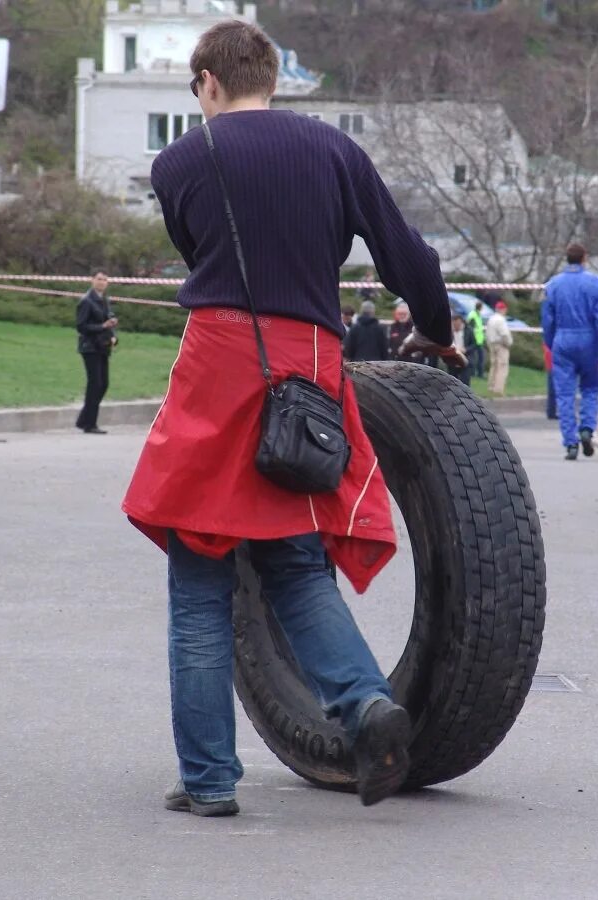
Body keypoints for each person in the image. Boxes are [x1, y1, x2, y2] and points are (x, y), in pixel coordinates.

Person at [121, 19, 457, 817]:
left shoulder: (178, 162)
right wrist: (435, 332)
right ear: (272, 78)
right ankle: (367, 707)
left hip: (218, 366)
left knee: (200, 573)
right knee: (296, 564)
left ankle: (207, 782)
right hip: (307, 367)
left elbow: (196, 246)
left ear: (207, 82)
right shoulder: (336, 151)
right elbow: (411, 257)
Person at [542, 242, 598, 460]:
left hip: (563, 338)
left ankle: (570, 443)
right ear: (585, 258)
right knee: (591, 388)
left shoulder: (553, 285)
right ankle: (587, 428)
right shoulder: (596, 284)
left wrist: (552, 342)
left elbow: (547, 319)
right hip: (589, 339)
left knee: (564, 394)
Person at [75, 271, 117, 434]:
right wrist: (103, 327)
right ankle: (89, 423)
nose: (102, 282)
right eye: (99, 279)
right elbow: (81, 326)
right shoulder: (86, 301)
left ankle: (84, 419)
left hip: (103, 346)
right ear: (92, 280)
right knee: (95, 383)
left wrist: (113, 335)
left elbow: (108, 321)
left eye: (105, 279)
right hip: (90, 347)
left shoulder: (104, 300)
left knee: (103, 384)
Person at [486, 300, 513, 396]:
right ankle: (498, 389)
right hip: (501, 345)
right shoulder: (501, 320)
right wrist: (508, 343)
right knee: (502, 366)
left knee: (494, 366)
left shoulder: (491, 319)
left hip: (492, 344)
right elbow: (504, 334)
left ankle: (491, 386)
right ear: (503, 309)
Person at [449, 314, 475, 385]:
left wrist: (466, 349)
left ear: (461, 323)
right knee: (452, 382)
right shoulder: (449, 331)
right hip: (453, 359)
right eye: (454, 325)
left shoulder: (468, 330)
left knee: (465, 382)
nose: (456, 327)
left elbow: (474, 345)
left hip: (465, 358)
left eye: (458, 324)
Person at [467, 300, 487, 378]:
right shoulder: (473, 315)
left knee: (480, 358)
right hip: (475, 340)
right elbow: (471, 328)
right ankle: (475, 373)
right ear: (480, 307)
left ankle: (479, 373)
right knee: (475, 358)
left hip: (479, 340)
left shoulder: (478, 315)